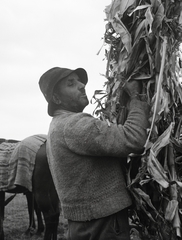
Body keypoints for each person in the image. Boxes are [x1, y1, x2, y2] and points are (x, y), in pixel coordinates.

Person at [38, 67, 149, 240]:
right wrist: (136, 98)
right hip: (103, 224)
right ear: (56, 98)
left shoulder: (57, 125)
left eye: (79, 81)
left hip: (84, 223)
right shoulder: (74, 125)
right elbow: (134, 138)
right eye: (71, 83)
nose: (82, 85)